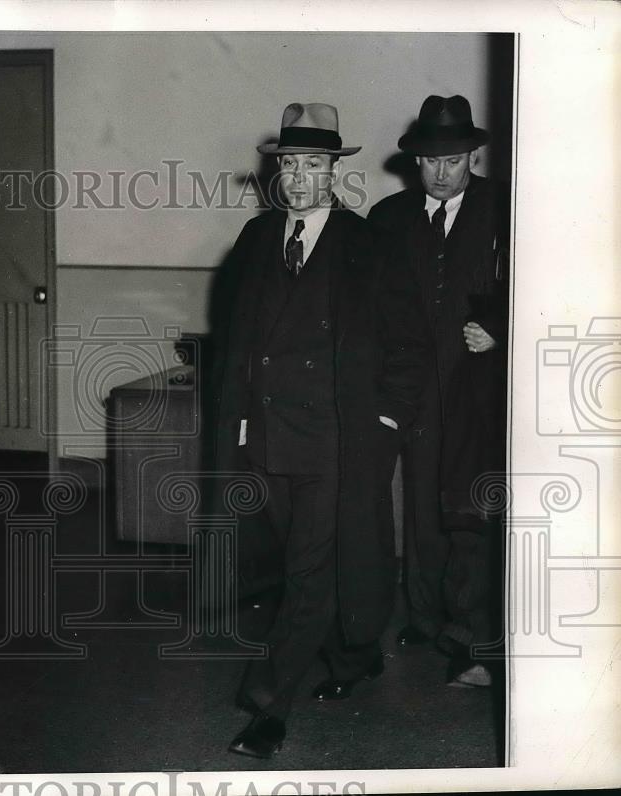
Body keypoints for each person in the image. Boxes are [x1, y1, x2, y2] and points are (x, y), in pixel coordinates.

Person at [212, 103, 427, 759]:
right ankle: (354, 655)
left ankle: (267, 706)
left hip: (338, 437)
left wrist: (386, 416)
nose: (299, 177)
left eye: (313, 164)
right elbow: (238, 338)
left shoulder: (366, 243)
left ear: (334, 169)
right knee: (295, 562)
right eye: (289, 165)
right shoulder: (255, 240)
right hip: (270, 435)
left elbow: (408, 339)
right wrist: (241, 418)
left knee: (308, 569)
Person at [368, 95, 509, 687]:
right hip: (415, 389)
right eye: (430, 161)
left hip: (479, 386)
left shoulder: (505, 207)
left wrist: (499, 330)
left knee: (471, 510)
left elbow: (542, 285)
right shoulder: (387, 218)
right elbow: (370, 307)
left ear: (472, 155)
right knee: (423, 505)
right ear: (415, 161)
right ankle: (425, 616)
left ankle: (469, 633)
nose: (442, 172)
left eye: (454, 160)